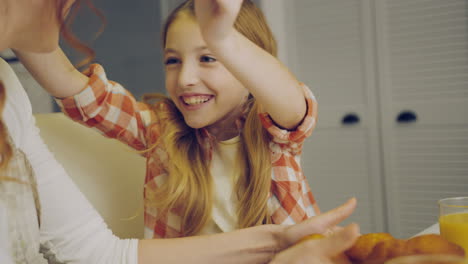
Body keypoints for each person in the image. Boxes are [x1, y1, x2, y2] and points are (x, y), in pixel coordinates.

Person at [4, 0, 360, 263]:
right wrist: (17, 23)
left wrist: (223, 38)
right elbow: (78, 92)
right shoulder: (160, 129)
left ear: (247, 66)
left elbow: (295, 105)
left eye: (208, 58)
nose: (186, 78)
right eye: (173, 61)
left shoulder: (273, 135)